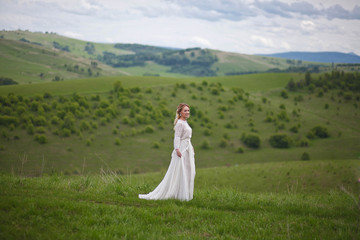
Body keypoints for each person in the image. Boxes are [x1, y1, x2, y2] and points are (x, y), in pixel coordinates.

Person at [139, 103, 195, 201]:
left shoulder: (185, 122)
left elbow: (187, 137)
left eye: (188, 110)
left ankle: (183, 193)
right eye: (185, 110)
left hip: (187, 148)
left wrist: (191, 146)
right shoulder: (180, 123)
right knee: (178, 170)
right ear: (180, 112)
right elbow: (177, 137)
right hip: (181, 149)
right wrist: (177, 149)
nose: (187, 112)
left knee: (187, 170)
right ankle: (176, 194)